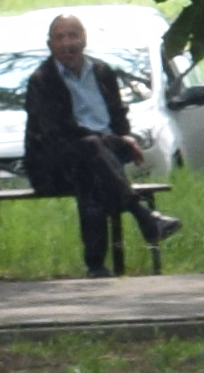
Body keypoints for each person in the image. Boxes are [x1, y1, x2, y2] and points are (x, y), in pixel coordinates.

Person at [15, 14, 174, 274]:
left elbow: (119, 117)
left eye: (73, 35)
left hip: (104, 157)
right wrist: (112, 141)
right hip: (56, 164)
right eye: (60, 37)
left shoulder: (101, 72)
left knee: (91, 165)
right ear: (50, 44)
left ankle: (97, 265)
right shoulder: (42, 80)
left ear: (84, 39)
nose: (68, 43)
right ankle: (142, 216)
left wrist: (127, 138)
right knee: (88, 153)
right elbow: (57, 132)